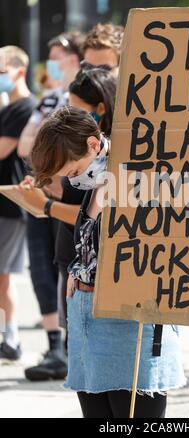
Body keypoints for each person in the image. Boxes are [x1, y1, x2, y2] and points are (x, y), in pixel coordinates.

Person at [27, 106, 189, 418]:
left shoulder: (146, 175)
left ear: (94, 145)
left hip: (132, 326)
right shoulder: (94, 182)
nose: (71, 178)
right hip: (85, 322)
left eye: (72, 169)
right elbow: (87, 242)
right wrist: (77, 271)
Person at [18, 31, 85, 381]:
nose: (52, 66)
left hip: (66, 195)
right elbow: (25, 145)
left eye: (56, 59)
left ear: (73, 59)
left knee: (67, 266)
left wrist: (50, 155)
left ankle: (73, 343)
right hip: (41, 191)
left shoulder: (83, 97)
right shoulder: (49, 99)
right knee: (42, 270)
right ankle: (54, 345)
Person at [0, 46, 37, 360]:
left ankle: (11, 336)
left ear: (18, 71)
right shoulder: (6, 108)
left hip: (9, 205)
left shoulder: (25, 107)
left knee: (2, 273)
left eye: (1, 71)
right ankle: (10, 337)